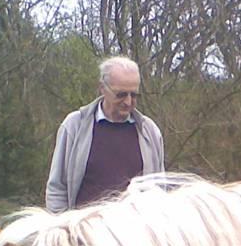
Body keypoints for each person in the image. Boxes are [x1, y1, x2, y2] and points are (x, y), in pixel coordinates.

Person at [45, 56, 164, 212]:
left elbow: (159, 190)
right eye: (121, 94)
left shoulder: (150, 132)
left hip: (136, 232)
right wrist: (61, 229)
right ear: (102, 88)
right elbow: (57, 188)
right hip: (83, 231)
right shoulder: (74, 126)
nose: (128, 102)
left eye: (134, 95)